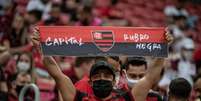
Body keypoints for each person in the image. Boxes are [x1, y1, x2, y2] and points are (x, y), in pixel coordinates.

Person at [31, 27, 173, 101]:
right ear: (90, 82)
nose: (102, 78)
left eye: (106, 75)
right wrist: (41, 48)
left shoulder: (126, 98)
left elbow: (150, 78)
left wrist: (163, 48)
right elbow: (57, 74)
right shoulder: (80, 98)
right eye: (97, 76)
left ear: (114, 80)